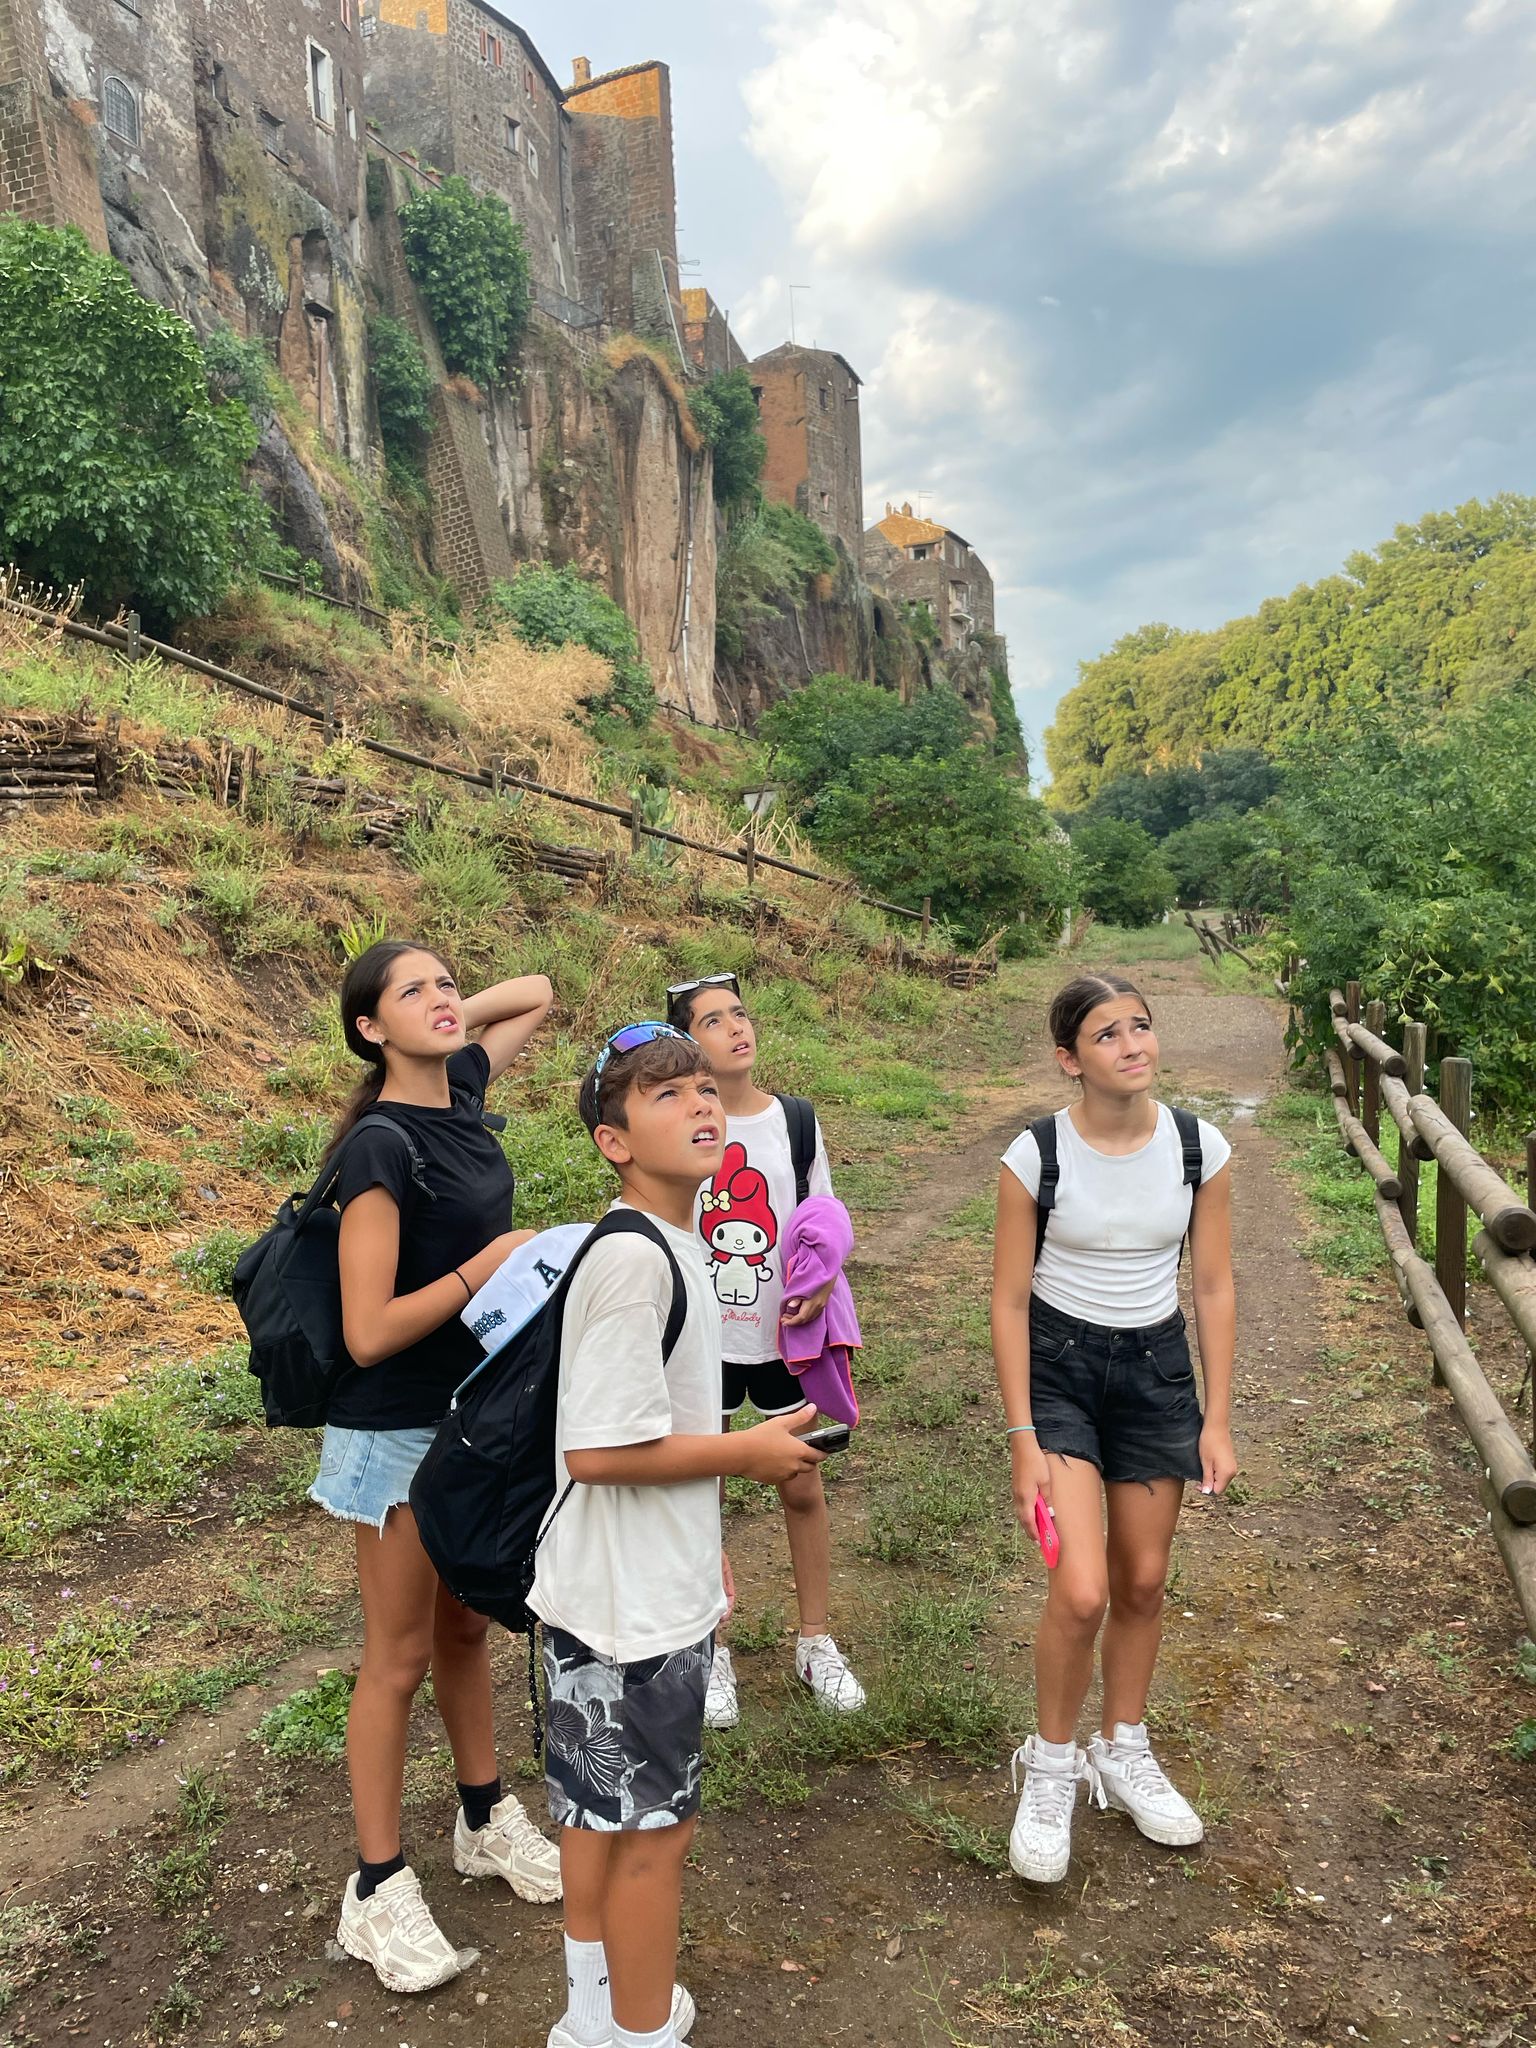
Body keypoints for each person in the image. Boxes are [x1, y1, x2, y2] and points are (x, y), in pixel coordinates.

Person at [531, 1020, 825, 2048]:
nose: (701, 1103)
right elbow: (598, 1451)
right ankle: (643, 2029)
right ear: (613, 1140)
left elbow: (649, 1427)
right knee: (656, 1833)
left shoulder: (670, 1242)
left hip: (609, 1583)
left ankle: (591, 2010)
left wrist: (708, 1529)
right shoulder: (637, 1261)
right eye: (667, 1094)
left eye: (704, 1087)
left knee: (593, 1805)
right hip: (633, 1611)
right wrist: (748, 1454)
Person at [313, 939, 564, 1993]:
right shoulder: (378, 1145)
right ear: (369, 1027)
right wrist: (484, 1267)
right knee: (400, 1655)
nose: (445, 998)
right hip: (396, 1428)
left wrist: (442, 1020)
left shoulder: (460, 1089)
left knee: (468, 1628)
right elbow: (367, 1332)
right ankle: (375, 1887)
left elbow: (536, 991)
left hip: (475, 1418)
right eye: (411, 992)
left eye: (449, 983)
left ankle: (482, 1817)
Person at [992, 973, 1237, 1886]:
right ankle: (1052, 1766)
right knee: (1083, 1590)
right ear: (1070, 1059)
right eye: (1107, 1034)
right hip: (1059, 1374)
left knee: (1142, 1578)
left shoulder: (1198, 1148)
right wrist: (1022, 1436)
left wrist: (1217, 1417)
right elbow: (1008, 1300)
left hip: (1156, 1374)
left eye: (1141, 1026)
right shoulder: (1036, 1155)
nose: (1132, 1045)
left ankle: (1122, 1747)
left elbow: (1212, 1285)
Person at [665, 972, 867, 1724]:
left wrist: (825, 1277)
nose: (736, 1028)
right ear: (687, 1045)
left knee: (802, 1482)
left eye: (740, 1014)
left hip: (786, 1336)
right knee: (703, 1491)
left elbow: (825, 1214)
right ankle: (710, 1647)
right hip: (705, 1340)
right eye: (713, 1021)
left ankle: (815, 1640)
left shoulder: (796, 1122)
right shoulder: (679, 1126)